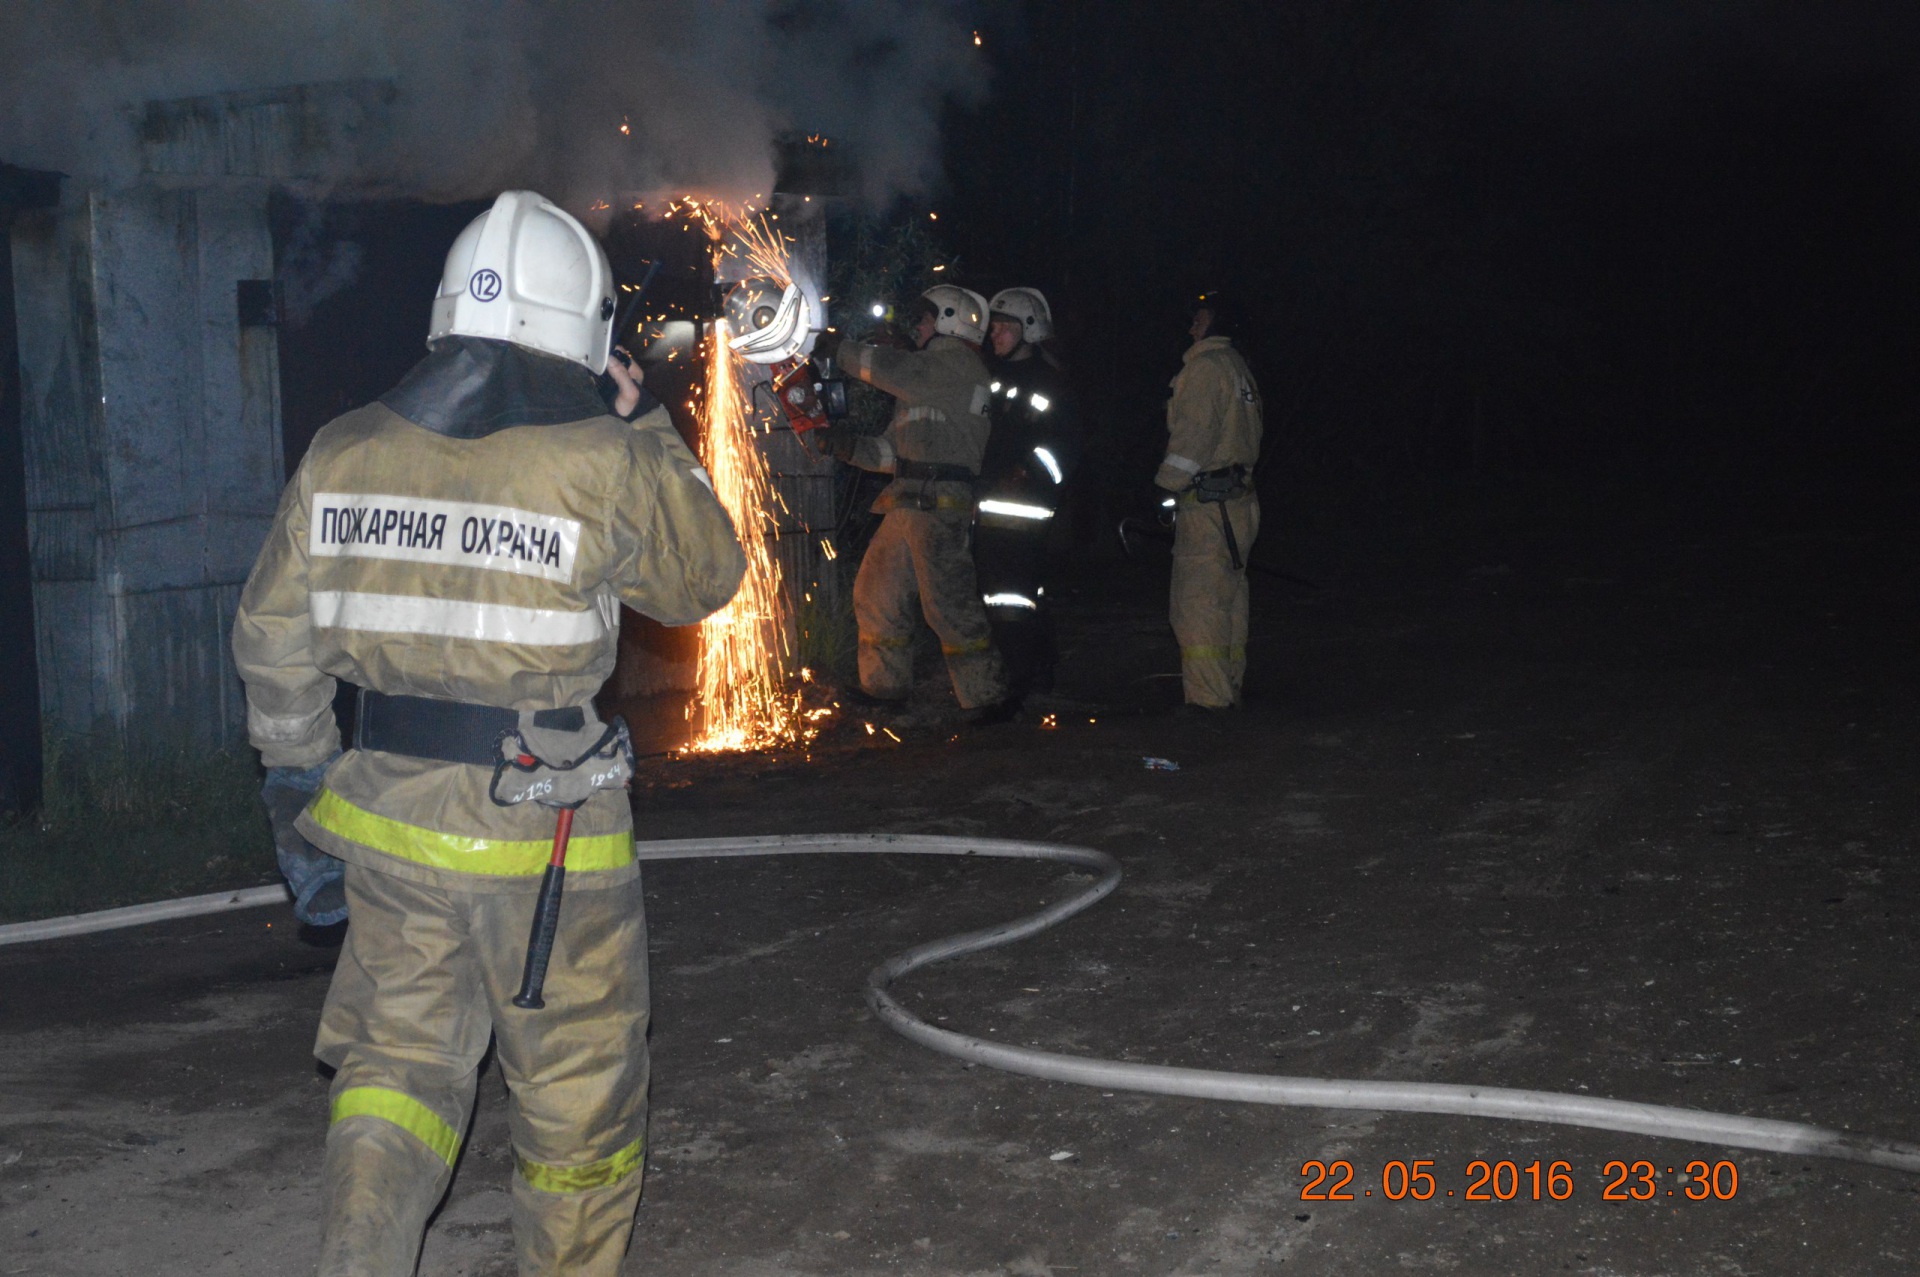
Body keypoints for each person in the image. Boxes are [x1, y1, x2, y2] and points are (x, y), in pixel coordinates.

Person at [232, 189, 746, 1276]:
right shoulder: (599, 458)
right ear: (581, 327)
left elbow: (272, 639)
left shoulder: (344, 448)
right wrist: (643, 423)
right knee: (575, 1104)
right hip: (550, 837)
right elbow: (707, 576)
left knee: (394, 1069)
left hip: (386, 820)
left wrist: (296, 777)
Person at [815, 285, 1013, 723]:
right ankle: (885, 688)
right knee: (876, 593)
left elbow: (890, 368)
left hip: (940, 504)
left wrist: (835, 347)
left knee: (949, 603)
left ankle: (987, 696)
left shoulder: (956, 366)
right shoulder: (927, 381)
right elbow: (891, 454)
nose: (918, 326)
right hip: (908, 500)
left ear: (949, 318)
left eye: (925, 317)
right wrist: (846, 447)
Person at [1153, 291, 1263, 710]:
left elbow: (1192, 438)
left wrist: (1165, 486)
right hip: (1239, 501)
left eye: (1200, 316)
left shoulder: (1204, 368)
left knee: (1198, 604)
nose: (1191, 324)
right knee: (1229, 600)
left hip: (1209, 506)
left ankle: (1207, 701)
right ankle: (1227, 687)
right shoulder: (1238, 368)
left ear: (1216, 321)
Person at [975, 287, 1073, 694]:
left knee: (1015, 598)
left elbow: (1064, 446)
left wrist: (1028, 471)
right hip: (988, 507)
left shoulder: (1048, 381)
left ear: (1028, 329)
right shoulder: (990, 377)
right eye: (992, 326)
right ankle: (1025, 675)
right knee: (1001, 597)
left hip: (1025, 510)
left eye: (1003, 327)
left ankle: (1023, 681)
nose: (994, 334)